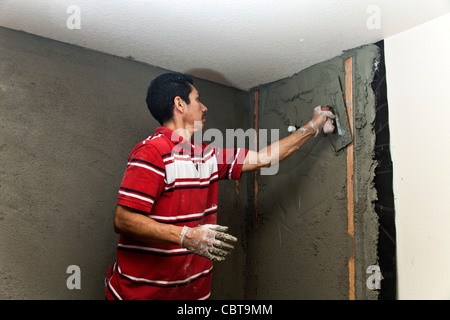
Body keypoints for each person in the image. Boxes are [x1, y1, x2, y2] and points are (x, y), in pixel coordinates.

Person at [105, 73, 335, 300]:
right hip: (138, 296)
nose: (204, 107)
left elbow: (264, 158)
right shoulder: (152, 152)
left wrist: (313, 126)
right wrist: (186, 236)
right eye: (197, 99)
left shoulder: (208, 155)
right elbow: (124, 220)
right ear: (179, 104)